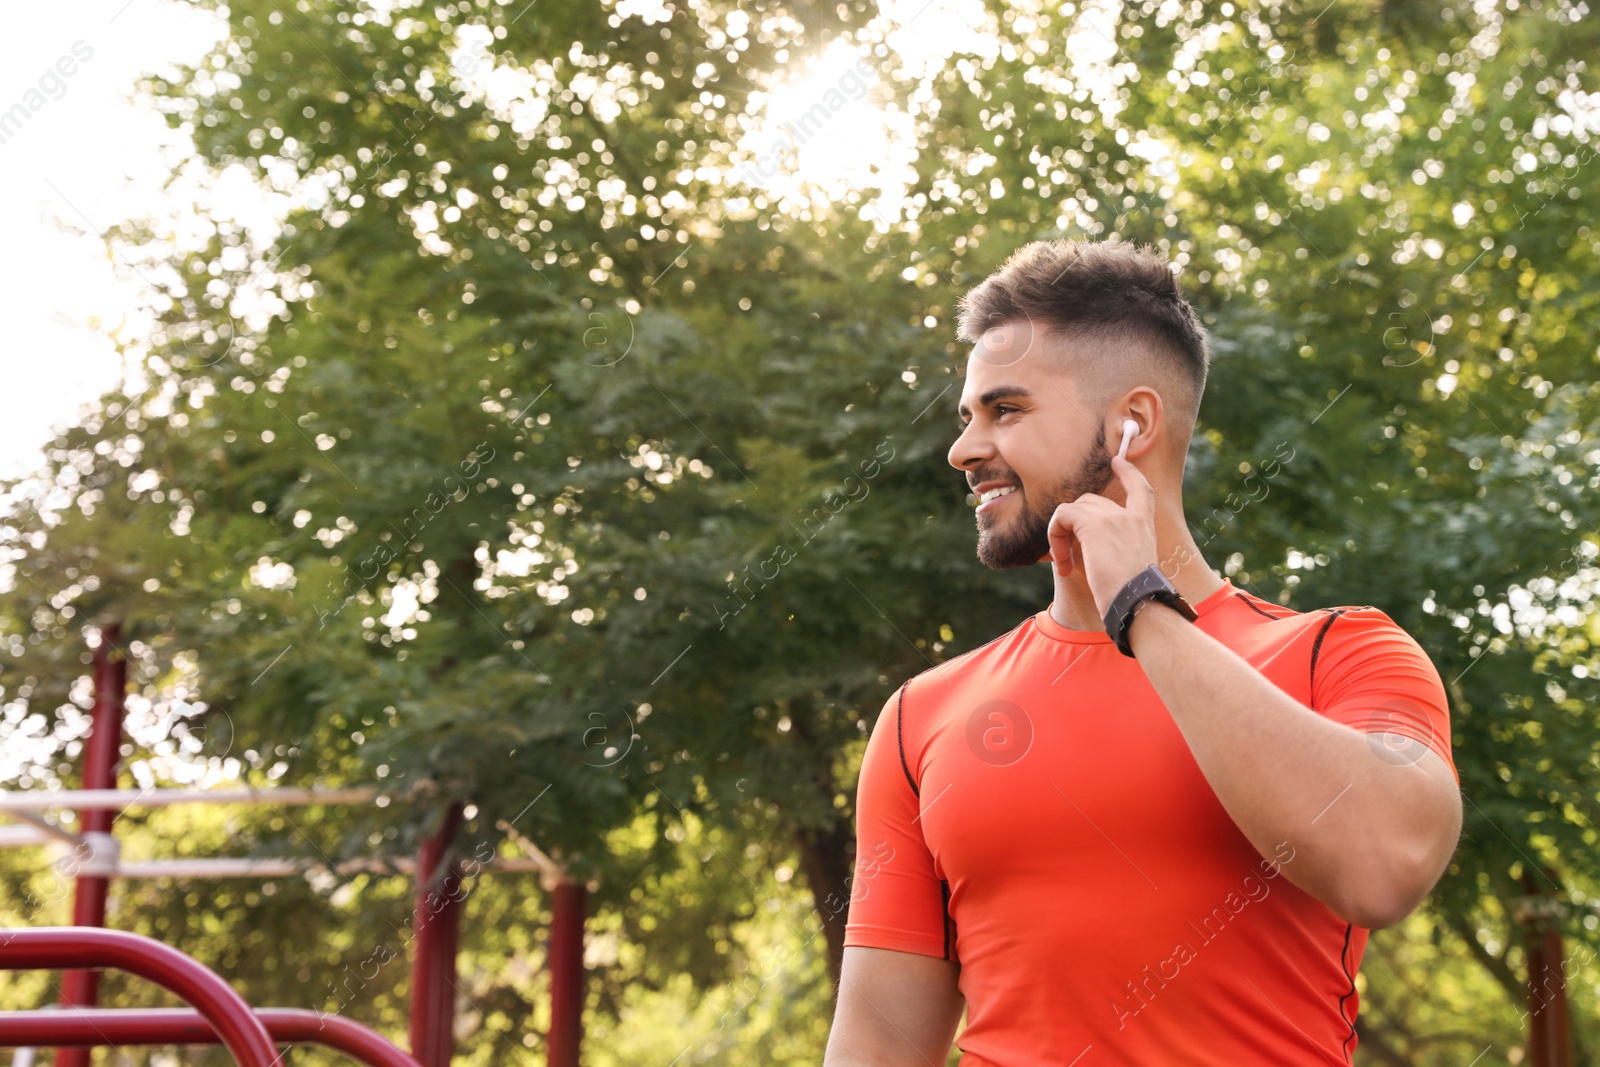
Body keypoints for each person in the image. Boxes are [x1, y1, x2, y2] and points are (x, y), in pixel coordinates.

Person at [823, 239, 1463, 1066]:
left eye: (1005, 410)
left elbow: (1386, 866)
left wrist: (1142, 609)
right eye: (967, 416)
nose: (964, 448)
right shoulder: (921, 717)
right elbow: (878, 1041)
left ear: (1132, 424)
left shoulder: (1338, 652)